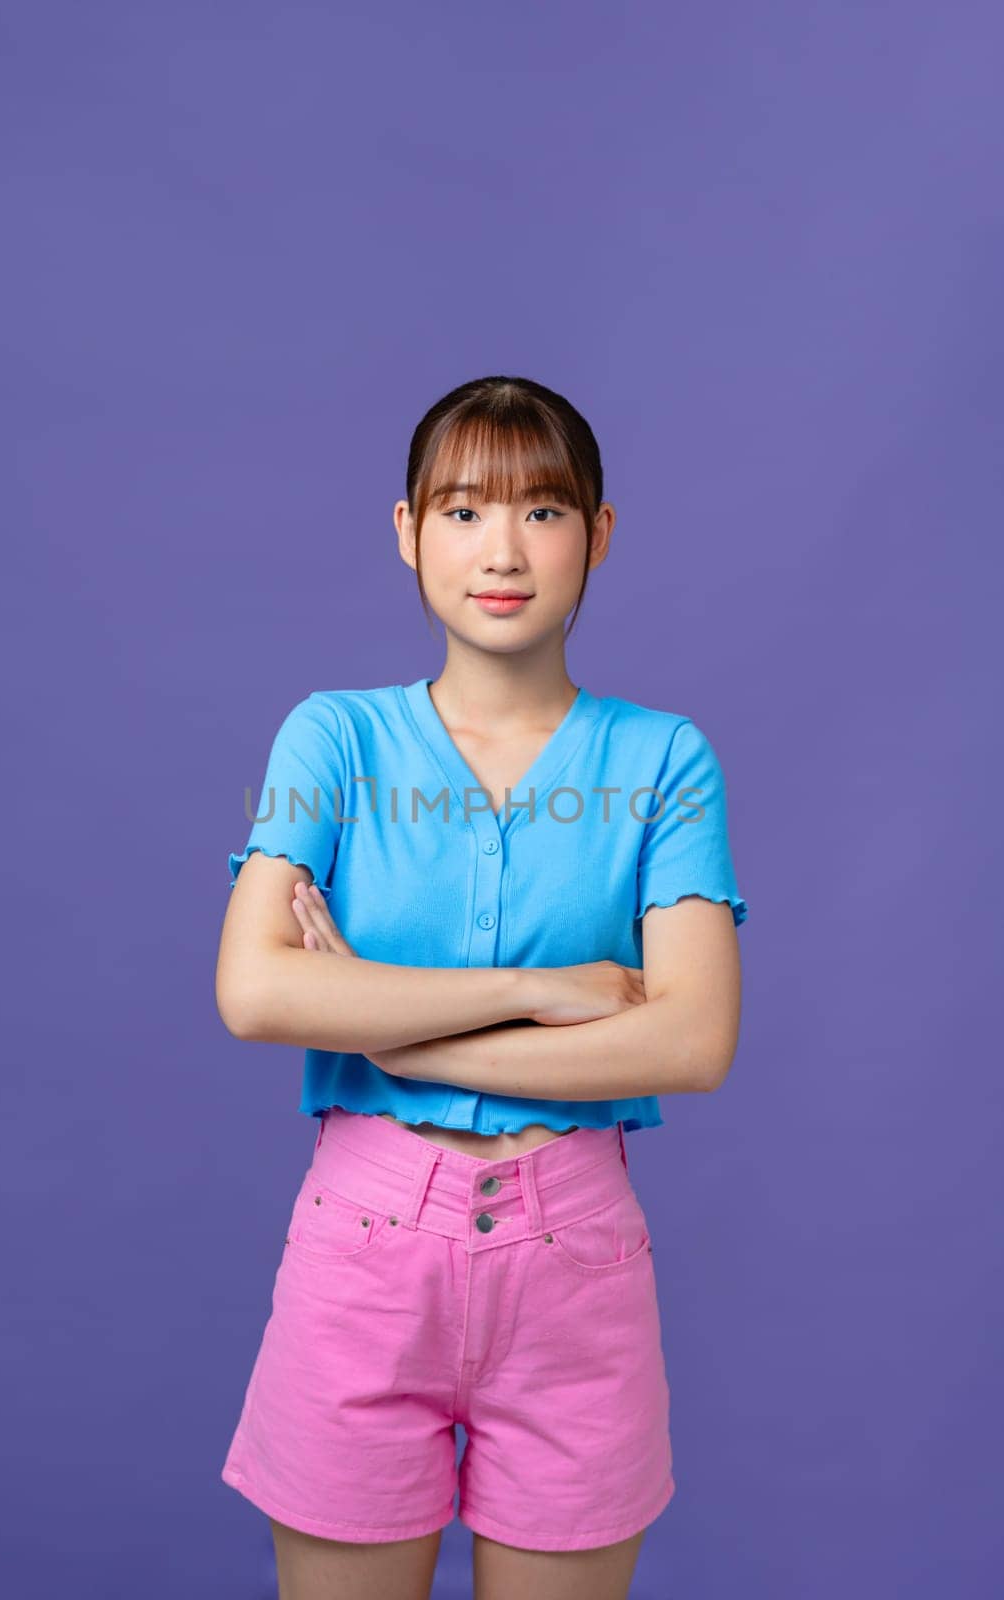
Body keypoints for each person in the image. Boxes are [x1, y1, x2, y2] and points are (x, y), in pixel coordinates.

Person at [215, 375, 749, 1600]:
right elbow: (254, 989)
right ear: (405, 531)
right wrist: (543, 987)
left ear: (597, 536)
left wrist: (402, 1037)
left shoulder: (662, 759)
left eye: (543, 512)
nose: (500, 550)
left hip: (574, 1260)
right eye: (461, 512)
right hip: (361, 1253)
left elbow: (693, 1036)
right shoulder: (333, 740)